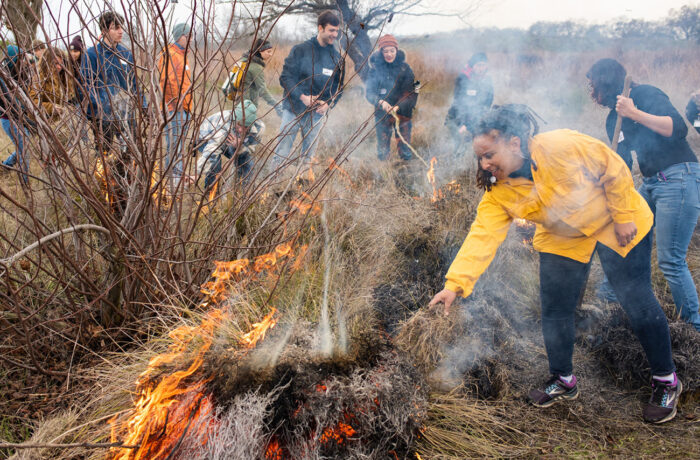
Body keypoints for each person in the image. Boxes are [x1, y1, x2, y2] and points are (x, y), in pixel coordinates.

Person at [429, 104, 681, 424]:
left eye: (489, 154)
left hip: (616, 219)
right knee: (555, 309)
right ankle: (563, 379)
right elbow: (481, 237)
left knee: (636, 298)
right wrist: (454, 285)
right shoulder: (499, 192)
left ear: (514, 142)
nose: (484, 163)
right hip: (564, 234)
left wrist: (622, 216)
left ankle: (666, 381)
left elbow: (612, 166)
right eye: (479, 157)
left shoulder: (558, 145)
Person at [587, 59, 700, 332]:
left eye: (593, 85)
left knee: (670, 259)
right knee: (621, 237)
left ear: (605, 82)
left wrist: (635, 113)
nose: (591, 92)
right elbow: (622, 165)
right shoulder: (614, 118)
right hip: (650, 184)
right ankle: (609, 300)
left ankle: (694, 328)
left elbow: (678, 128)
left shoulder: (644, 94)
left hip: (678, 176)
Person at [82, 11, 143, 212]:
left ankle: (126, 199)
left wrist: (143, 107)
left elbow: (134, 85)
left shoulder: (126, 55)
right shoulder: (92, 55)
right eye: (116, 27)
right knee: (105, 159)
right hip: (103, 120)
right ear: (104, 29)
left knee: (129, 157)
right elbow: (86, 87)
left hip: (127, 118)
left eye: (121, 27)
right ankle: (106, 202)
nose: (121, 31)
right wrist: (101, 109)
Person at [276, 9, 344, 166]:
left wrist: (328, 103)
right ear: (320, 28)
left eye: (337, 31)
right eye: (331, 30)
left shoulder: (337, 58)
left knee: (308, 157)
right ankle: (274, 187)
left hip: (316, 115)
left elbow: (339, 87)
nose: (335, 34)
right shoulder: (301, 50)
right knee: (282, 152)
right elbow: (285, 78)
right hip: (293, 110)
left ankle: (304, 185)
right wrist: (302, 97)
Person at [364, 34, 418, 161]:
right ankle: (384, 173)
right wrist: (381, 102)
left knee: (405, 147)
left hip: (403, 114)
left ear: (396, 50)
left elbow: (411, 92)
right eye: (386, 51)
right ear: (381, 51)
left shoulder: (405, 68)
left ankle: (406, 170)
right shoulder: (374, 69)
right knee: (383, 150)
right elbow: (369, 93)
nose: (389, 54)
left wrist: (398, 106)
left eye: (392, 51)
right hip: (382, 114)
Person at [195, 99, 262, 191]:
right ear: (234, 120)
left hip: (230, 143)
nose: (241, 130)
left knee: (248, 163)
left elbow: (250, 150)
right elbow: (211, 151)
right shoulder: (224, 125)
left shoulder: (258, 128)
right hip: (206, 137)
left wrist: (239, 147)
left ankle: (243, 194)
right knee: (215, 164)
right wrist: (197, 174)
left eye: (246, 127)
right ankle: (209, 192)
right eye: (239, 125)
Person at [158, 22, 193, 188]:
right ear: (180, 36)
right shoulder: (171, 54)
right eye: (188, 35)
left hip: (184, 108)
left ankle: (175, 179)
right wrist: (177, 102)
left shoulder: (182, 55)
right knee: (175, 146)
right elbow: (167, 81)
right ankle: (174, 182)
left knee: (178, 145)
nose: (191, 39)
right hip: (175, 109)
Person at [445, 52, 493, 153]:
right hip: (456, 118)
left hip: (474, 119)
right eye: (478, 65)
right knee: (459, 144)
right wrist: (463, 124)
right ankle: (455, 164)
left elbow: (487, 103)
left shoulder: (488, 80)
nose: (481, 68)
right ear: (472, 66)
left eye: (483, 65)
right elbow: (460, 104)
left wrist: (472, 123)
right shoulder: (463, 78)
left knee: (475, 145)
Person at [1, 45, 34, 184]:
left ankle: (6, 166)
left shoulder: (19, 75)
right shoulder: (3, 78)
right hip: (9, 119)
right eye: (20, 58)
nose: (24, 62)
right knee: (24, 148)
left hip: (19, 116)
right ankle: (25, 182)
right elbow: (9, 103)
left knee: (23, 147)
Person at [236, 39, 279, 112]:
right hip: (248, 106)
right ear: (260, 51)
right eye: (268, 51)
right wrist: (276, 105)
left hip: (239, 103)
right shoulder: (256, 67)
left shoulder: (244, 60)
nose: (270, 54)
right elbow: (263, 90)